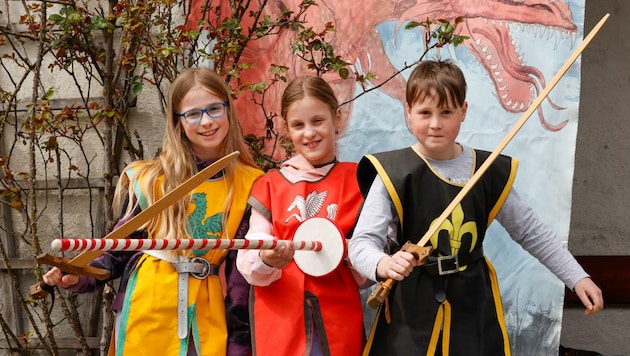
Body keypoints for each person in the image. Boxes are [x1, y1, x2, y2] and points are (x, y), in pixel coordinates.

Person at [347, 59, 604, 355]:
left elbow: (531, 232)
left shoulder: (486, 171)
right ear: (408, 112)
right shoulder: (392, 173)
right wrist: (383, 264)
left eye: (446, 112)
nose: (435, 123)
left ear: (463, 112)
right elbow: (362, 243)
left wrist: (577, 276)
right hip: (410, 309)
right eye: (425, 112)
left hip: (471, 305)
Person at [43, 67, 263, 356]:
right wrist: (79, 276)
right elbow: (117, 251)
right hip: (144, 309)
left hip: (204, 316)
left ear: (228, 111)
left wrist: (239, 347)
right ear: (177, 121)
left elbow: (240, 283)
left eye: (214, 109)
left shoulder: (250, 183)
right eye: (193, 114)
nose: (206, 121)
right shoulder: (149, 179)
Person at [236, 76, 366, 356]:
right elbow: (250, 257)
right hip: (281, 320)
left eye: (317, 121)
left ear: (337, 118)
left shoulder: (358, 180)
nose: (309, 133)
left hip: (338, 319)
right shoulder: (269, 186)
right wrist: (267, 259)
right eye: (298, 125)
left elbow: (370, 259)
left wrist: (347, 251)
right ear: (286, 128)